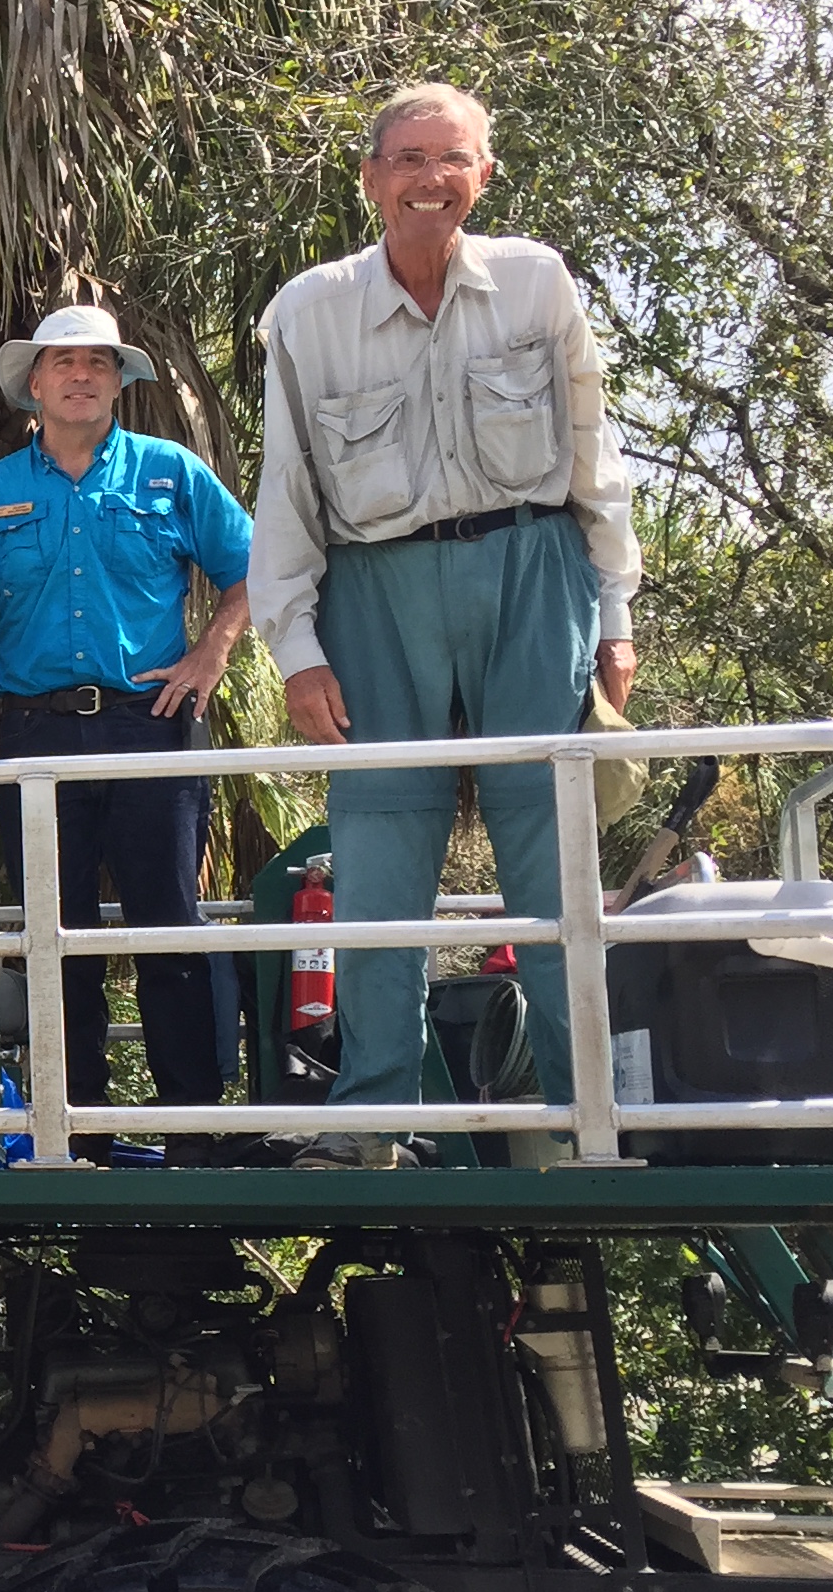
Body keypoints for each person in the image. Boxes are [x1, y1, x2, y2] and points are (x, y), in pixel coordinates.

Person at [248, 82, 640, 1169]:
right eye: (407, 158)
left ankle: (588, 1118)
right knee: (378, 854)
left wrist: (612, 608)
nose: (429, 179)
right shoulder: (308, 311)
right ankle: (373, 1118)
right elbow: (287, 490)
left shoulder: (535, 282)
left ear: (485, 173)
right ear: (371, 177)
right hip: (376, 591)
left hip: (535, 573)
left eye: (451, 158)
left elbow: (593, 452)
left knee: (549, 857)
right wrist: (299, 650)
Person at [0, 304, 255, 1160]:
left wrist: (211, 654)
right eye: (63, 362)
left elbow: (255, 569)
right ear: (33, 384)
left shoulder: (170, 472)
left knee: (166, 927)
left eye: (99, 363)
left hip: (153, 726)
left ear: (120, 382)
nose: (81, 375)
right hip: (35, 736)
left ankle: (192, 1129)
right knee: (54, 936)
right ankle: (80, 1130)